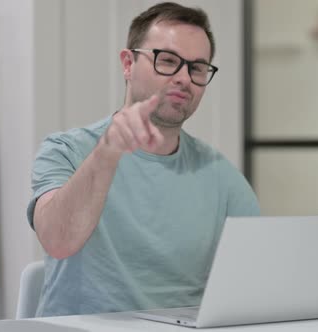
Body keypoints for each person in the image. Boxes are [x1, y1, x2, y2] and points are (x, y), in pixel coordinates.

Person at [26, 2, 260, 317]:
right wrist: (109, 151)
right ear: (128, 63)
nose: (184, 78)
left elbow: (257, 276)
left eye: (197, 68)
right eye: (167, 61)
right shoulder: (65, 150)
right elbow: (58, 241)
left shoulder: (220, 174)